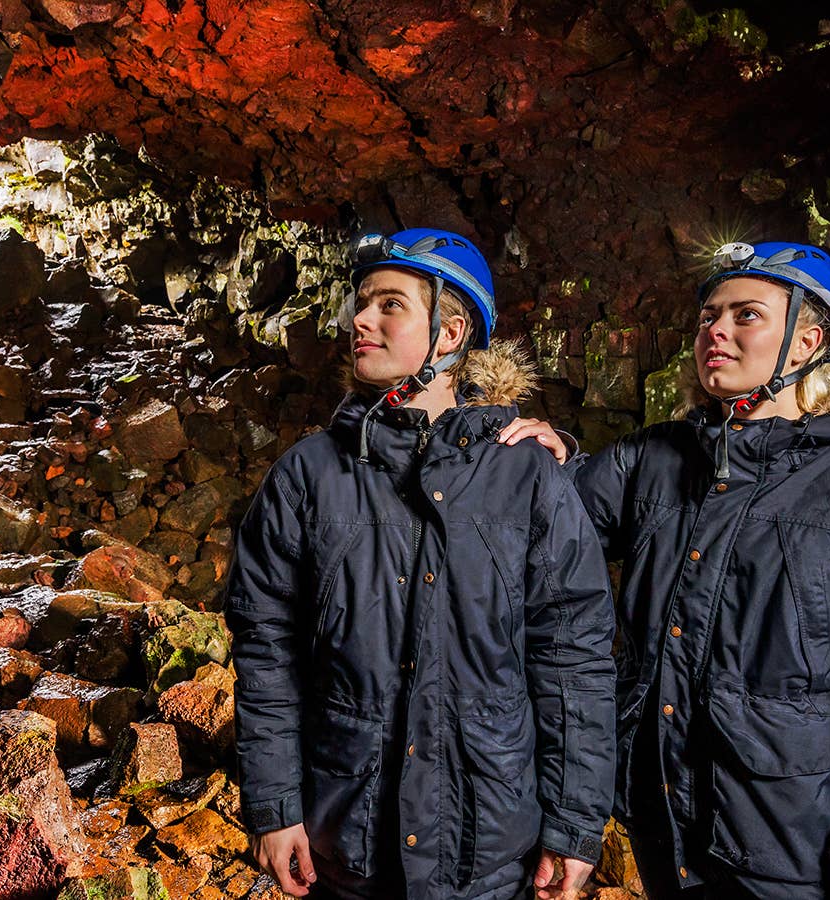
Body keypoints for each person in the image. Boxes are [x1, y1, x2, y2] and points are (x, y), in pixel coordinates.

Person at [498, 241, 830, 899]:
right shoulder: (657, 460)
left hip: (786, 858)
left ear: (808, 341)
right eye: (707, 316)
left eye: (745, 315)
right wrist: (541, 454)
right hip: (664, 829)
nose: (713, 331)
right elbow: (544, 529)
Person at [226, 228, 617, 900]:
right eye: (361, 303)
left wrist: (575, 822)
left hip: (488, 846)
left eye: (389, 304)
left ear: (449, 333)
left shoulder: (527, 477)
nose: (360, 320)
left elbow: (573, 659)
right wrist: (274, 804)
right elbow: (268, 652)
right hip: (348, 841)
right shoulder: (308, 476)